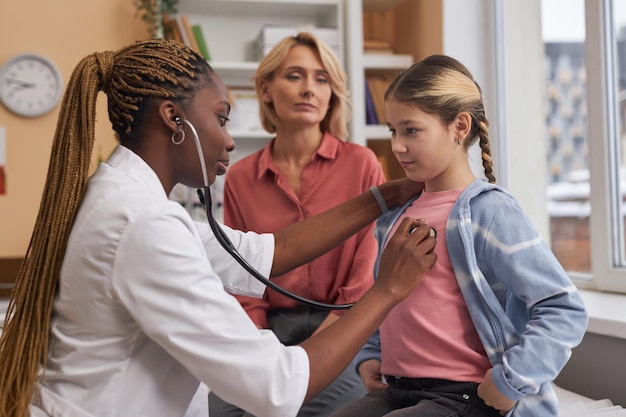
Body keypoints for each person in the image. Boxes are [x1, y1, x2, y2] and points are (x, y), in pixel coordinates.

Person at [0, 38, 438, 417]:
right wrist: (388, 290)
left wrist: (382, 197)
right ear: (174, 119)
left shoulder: (122, 196)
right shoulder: (144, 223)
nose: (229, 140)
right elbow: (277, 385)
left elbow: (267, 250)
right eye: (222, 118)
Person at [329, 55, 589, 417]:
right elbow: (388, 297)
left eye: (411, 130)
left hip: (465, 396)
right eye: (393, 130)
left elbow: (564, 308)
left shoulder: (490, 212)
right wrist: (372, 355)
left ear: (459, 126)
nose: (398, 145)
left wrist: (509, 381)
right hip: (398, 389)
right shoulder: (394, 216)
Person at [208, 32, 385, 417]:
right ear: (266, 89)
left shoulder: (363, 165)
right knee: (223, 409)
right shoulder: (240, 177)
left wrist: (307, 358)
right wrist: (264, 352)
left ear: (332, 93)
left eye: (321, 79)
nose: (309, 89)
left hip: (344, 328)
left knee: (301, 409)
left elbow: (362, 281)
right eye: (294, 76)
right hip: (269, 332)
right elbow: (242, 281)